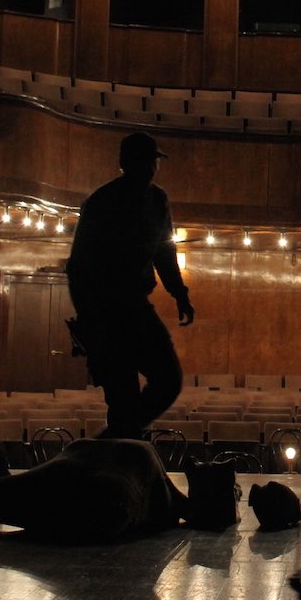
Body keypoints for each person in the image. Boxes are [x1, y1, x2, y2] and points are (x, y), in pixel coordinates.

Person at [67, 132, 196, 441]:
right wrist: (90, 320)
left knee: (168, 380)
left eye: (154, 161)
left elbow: (165, 252)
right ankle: (118, 441)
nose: (151, 168)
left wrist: (179, 293)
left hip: (136, 306)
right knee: (122, 395)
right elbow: (78, 268)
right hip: (105, 313)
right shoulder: (101, 203)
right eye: (145, 160)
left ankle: (114, 438)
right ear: (126, 163)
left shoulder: (157, 200)